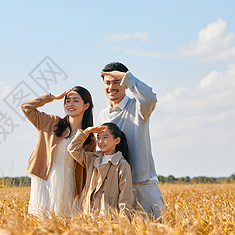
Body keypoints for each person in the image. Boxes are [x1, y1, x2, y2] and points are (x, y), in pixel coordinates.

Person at [98, 62, 165, 219]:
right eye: (107, 83)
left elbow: (150, 97)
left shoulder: (138, 107)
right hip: (116, 188)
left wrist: (127, 77)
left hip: (142, 184)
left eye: (117, 82)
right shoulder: (102, 115)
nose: (111, 87)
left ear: (126, 84)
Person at [21, 86, 96, 217]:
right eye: (67, 101)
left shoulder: (89, 137)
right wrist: (52, 97)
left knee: (66, 221)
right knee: (42, 220)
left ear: (86, 106)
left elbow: (87, 166)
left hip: (71, 184)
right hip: (46, 179)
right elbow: (26, 107)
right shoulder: (51, 122)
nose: (70, 104)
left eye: (76, 101)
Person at [67, 123, 133, 217]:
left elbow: (126, 195)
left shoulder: (122, 164)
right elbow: (73, 149)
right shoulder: (92, 158)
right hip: (88, 213)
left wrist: (123, 219)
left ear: (117, 140)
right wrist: (86, 132)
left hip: (109, 216)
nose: (100, 141)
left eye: (105, 137)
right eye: (98, 137)